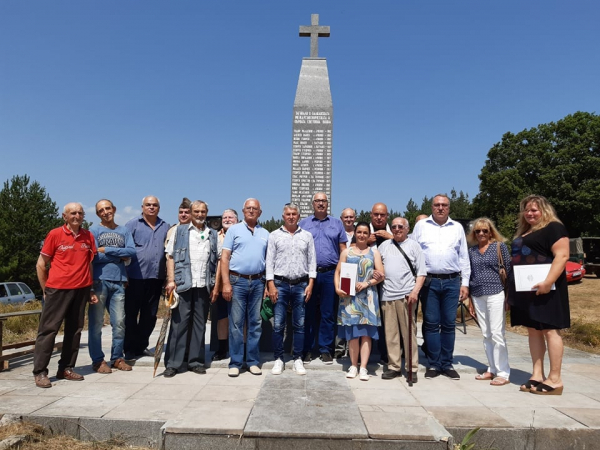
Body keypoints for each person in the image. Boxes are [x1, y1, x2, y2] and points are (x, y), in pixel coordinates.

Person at [507, 195, 570, 395]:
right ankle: (537, 374)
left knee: (550, 330)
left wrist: (548, 281)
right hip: (527, 290)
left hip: (547, 289)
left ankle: (555, 378)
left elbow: (562, 255)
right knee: (533, 330)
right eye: (527, 210)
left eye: (535, 210)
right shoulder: (525, 231)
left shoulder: (554, 228)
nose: (530, 213)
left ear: (544, 210)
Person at [33, 203, 98, 388]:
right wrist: (45, 290)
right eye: (73, 213)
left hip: (81, 289)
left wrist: (91, 289)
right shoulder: (55, 234)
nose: (77, 216)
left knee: (75, 330)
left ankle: (66, 368)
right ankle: (40, 372)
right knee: (48, 331)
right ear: (65, 216)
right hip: (58, 289)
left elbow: (89, 264)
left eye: (80, 213)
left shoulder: (88, 236)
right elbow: (41, 264)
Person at [412, 194, 470, 380]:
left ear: (449, 208)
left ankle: (447, 363)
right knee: (430, 323)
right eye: (437, 205)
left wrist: (465, 283)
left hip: (452, 281)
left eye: (444, 205)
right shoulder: (421, 226)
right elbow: (413, 252)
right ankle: (434, 364)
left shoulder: (457, 228)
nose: (440, 208)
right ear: (431, 207)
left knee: (448, 324)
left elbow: (463, 257)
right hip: (429, 281)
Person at [163, 200, 218, 377]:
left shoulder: (212, 234)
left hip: (203, 284)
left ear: (206, 213)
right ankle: (174, 363)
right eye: (196, 212)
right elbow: (170, 257)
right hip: (183, 284)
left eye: (203, 212)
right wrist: (171, 280)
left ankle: (196, 361)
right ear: (191, 213)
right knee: (179, 325)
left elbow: (216, 261)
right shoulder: (179, 231)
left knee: (199, 325)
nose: (200, 215)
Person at [266, 203, 316, 376]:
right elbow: (269, 262)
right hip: (280, 284)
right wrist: (270, 284)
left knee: (300, 324)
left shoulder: (307, 236)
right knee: (278, 324)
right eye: (288, 214)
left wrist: (311, 283)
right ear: (283, 216)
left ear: (299, 216)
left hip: (301, 284)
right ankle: (279, 358)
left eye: (294, 213)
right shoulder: (274, 235)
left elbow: (312, 262)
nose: (291, 216)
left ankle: (298, 359)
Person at [221, 198, 269, 377]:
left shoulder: (265, 233)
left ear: (259, 213)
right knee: (236, 324)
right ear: (243, 211)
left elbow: (268, 260)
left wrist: (267, 284)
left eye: (254, 208)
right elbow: (224, 258)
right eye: (248, 208)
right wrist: (226, 283)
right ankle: (236, 362)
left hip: (258, 282)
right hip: (237, 281)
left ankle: (253, 361)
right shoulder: (233, 230)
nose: (251, 211)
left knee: (255, 324)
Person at [299, 193, 348, 364]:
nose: (321, 203)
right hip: (309, 274)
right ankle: (307, 349)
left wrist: (344, 275)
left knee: (328, 313)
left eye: (324, 201)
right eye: (317, 201)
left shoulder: (337, 224)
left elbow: (343, 249)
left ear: (328, 203)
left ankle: (326, 349)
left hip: (330, 274)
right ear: (312, 203)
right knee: (308, 312)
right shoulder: (303, 224)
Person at [88, 199, 136, 374]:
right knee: (96, 323)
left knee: (120, 322)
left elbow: (131, 252)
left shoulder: (124, 231)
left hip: (119, 282)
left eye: (108, 208)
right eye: (101, 210)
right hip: (99, 281)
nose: (105, 212)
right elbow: (92, 256)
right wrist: (118, 256)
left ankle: (117, 358)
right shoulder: (93, 231)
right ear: (98, 214)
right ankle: (98, 360)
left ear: (114, 209)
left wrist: (106, 250)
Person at [378, 217, 426, 382]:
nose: (397, 229)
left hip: (407, 295)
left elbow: (421, 273)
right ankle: (394, 366)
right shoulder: (384, 246)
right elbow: (378, 269)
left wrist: (415, 292)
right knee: (391, 334)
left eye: (400, 226)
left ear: (407, 228)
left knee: (409, 334)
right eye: (394, 227)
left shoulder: (414, 246)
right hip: (387, 295)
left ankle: (411, 368)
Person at [334, 222, 383, 381]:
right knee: (353, 334)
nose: (362, 235)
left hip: (368, 297)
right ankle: (353, 365)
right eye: (359, 232)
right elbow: (338, 272)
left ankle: (363, 368)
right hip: (350, 297)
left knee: (366, 334)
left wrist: (367, 283)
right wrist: (337, 288)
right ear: (355, 233)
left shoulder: (374, 252)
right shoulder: (346, 252)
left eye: (365, 232)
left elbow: (381, 274)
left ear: (369, 235)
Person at [467, 217, 511, 386]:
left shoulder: (499, 247)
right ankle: (491, 368)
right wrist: (470, 299)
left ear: (491, 231)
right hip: (478, 294)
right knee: (486, 334)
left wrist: (508, 297)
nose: (481, 234)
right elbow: (470, 275)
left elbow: (508, 271)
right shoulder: (472, 251)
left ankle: (503, 372)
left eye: (485, 230)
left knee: (497, 333)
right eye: (477, 231)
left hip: (496, 292)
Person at [124, 196, 170, 359]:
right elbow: (123, 249)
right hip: (135, 277)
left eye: (155, 205)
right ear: (142, 207)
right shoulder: (132, 224)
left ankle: (141, 345)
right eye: (148, 205)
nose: (151, 207)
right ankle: (129, 348)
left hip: (156, 278)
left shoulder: (165, 226)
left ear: (159, 207)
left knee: (149, 315)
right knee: (131, 314)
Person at [210, 208, 238, 361]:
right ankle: (222, 349)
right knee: (222, 318)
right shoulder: (215, 236)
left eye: (230, 217)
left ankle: (241, 349)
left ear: (237, 219)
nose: (227, 219)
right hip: (220, 284)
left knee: (241, 319)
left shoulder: (243, 233)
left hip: (240, 281)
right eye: (224, 217)